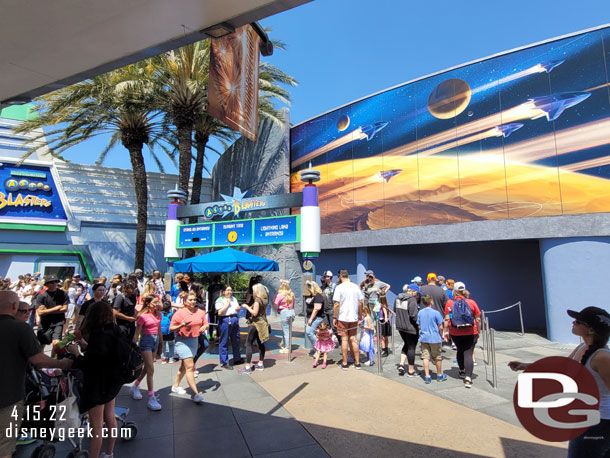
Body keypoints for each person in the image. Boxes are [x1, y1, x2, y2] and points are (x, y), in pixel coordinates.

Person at [509, 306, 610, 458]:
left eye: (578, 321)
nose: (573, 323)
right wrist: (527, 365)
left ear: (590, 330)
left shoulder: (602, 357)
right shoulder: (583, 346)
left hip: (599, 422)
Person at [0, 291, 72, 458]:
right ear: (13, 306)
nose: (27, 313)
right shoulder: (20, 329)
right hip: (7, 398)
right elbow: (39, 360)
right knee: (4, 447)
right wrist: (62, 363)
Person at [68, 301, 122, 458]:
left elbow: (89, 364)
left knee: (96, 425)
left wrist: (76, 352)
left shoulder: (99, 335)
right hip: (113, 381)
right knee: (110, 417)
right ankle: (109, 452)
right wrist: (86, 345)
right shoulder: (114, 330)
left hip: (98, 384)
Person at [170, 292, 208, 403]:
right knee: (190, 367)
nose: (192, 302)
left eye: (194, 299)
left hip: (194, 341)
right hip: (182, 341)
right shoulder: (179, 313)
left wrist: (204, 327)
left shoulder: (200, 312)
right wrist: (181, 325)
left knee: (184, 366)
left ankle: (175, 386)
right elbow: (171, 328)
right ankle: (196, 394)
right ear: (185, 301)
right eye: (190, 300)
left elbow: (206, 324)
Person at [443, 281, 481, 388]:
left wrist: (445, 332)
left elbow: (446, 319)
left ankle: (462, 371)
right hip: (470, 331)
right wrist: (479, 331)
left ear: (454, 290)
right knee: (468, 353)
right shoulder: (472, 302)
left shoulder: (450, 303)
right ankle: (468, 378)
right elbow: (478, 319)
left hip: (456, 332)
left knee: (460, 350)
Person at [130, 295, 163, 410]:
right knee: (151, 369)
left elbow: (159, 330)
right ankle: (151, 397)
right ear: (148, 303)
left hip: (155, 341)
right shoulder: (143, 316)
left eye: (158, 302)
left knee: (147, 368)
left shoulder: (159, 315)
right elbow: (136, 333)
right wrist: (133, 346)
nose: (157, 304)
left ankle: (136, 385)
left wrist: (161, 344)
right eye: (155, 302)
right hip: (146, 341)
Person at [333, 269, 364, 370]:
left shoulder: (339, 287)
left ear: (340, 276)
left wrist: (334, 317)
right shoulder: (355, 287)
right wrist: (360, 314)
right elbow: (360, 302)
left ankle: (345, 362)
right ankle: (357, 362)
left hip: (342, 317)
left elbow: (337, 304)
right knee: (353, 338)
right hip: (353, 317)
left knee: (344, 339)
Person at [239, 284, 270, 374]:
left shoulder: (257, 300)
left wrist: (247, 307)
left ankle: (247, 366)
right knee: (261, 343)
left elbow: (254, 313)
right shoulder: (265, 299)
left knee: (248, 343)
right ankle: (260, 364)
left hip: (255, 324)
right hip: (263, 323)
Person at [35, 275, 69, 353]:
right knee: (41, 345)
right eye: (51, 282)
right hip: (45, 323)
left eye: (56, 281)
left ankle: (53, 361)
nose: (54, 284)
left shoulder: (62, 294)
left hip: (58, 322)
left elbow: (64, 309)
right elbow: (40, 312)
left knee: (56, 344)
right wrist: (56, 308)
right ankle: (40, 362)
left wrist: (46, 311)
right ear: (47, 284)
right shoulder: (42, 296)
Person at [417, 294, 447, 383]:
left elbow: (419, 325)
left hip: (424, 337)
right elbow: (440, 327)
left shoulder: (420, 312)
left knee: (425, 357)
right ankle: (439, 375)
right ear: (431, 302)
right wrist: (441, 334)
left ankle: (427, 376)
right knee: (437, 356)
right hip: (434, 338)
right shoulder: (436, 313)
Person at [215, 285, 242, 369]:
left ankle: (237, 358)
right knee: (224, 340)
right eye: (227, 290)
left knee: (236, 339)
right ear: (223, 291)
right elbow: (220, 312)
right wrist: (227, 304)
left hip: (234, 318)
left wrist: (238, 309)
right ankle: (224, 361)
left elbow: (237, 309)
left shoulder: (234, 298)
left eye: (230, 290)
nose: (229, 292)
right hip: (225, 320)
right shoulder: (220, 300)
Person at [395, 283, 420, 377]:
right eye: (417, 293)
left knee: (406, 344)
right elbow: (414, 315)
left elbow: (395, 309)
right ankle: (411, 370)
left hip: (400, 326)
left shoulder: (398, 297)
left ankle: (401, 364)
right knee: (411, 347)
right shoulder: (412, 300)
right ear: (413, 291)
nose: (417, 295)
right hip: (410, 327)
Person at [190, 282, 209, 375]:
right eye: (200, 289)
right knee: (196, 346)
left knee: (205, 344)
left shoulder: (200, 299)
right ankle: (191, 366)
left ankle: (192, 362)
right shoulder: (192, 300)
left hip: (201, 326)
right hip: (194, 327)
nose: (202, 290)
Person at [272, 280, 295, 353]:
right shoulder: (292, 294)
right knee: (288, 330)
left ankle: (287, 348)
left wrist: (275, 297)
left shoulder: (280, 295)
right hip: (292, 312)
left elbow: (274, 304)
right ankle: (283, 344)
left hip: (284, 312)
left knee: (286, 331)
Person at [305, 281, 325, 352]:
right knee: (313, 332)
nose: (308, 289)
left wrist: (311, 319)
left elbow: (317, 308)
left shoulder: (318, 296)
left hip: (317, 317)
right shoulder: (312, 296)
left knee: (309, 331)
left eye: (309, 287)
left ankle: (319, 348)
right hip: (312, 317)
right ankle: (317, 348)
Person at [207, 276, 223, 341]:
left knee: (211, 321)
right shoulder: (222, 286)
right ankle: (218, 336)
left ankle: (210, 336)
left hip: (211, 305)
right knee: (218, 321)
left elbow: (208, 297)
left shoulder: (210, 287)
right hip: (219, 305)